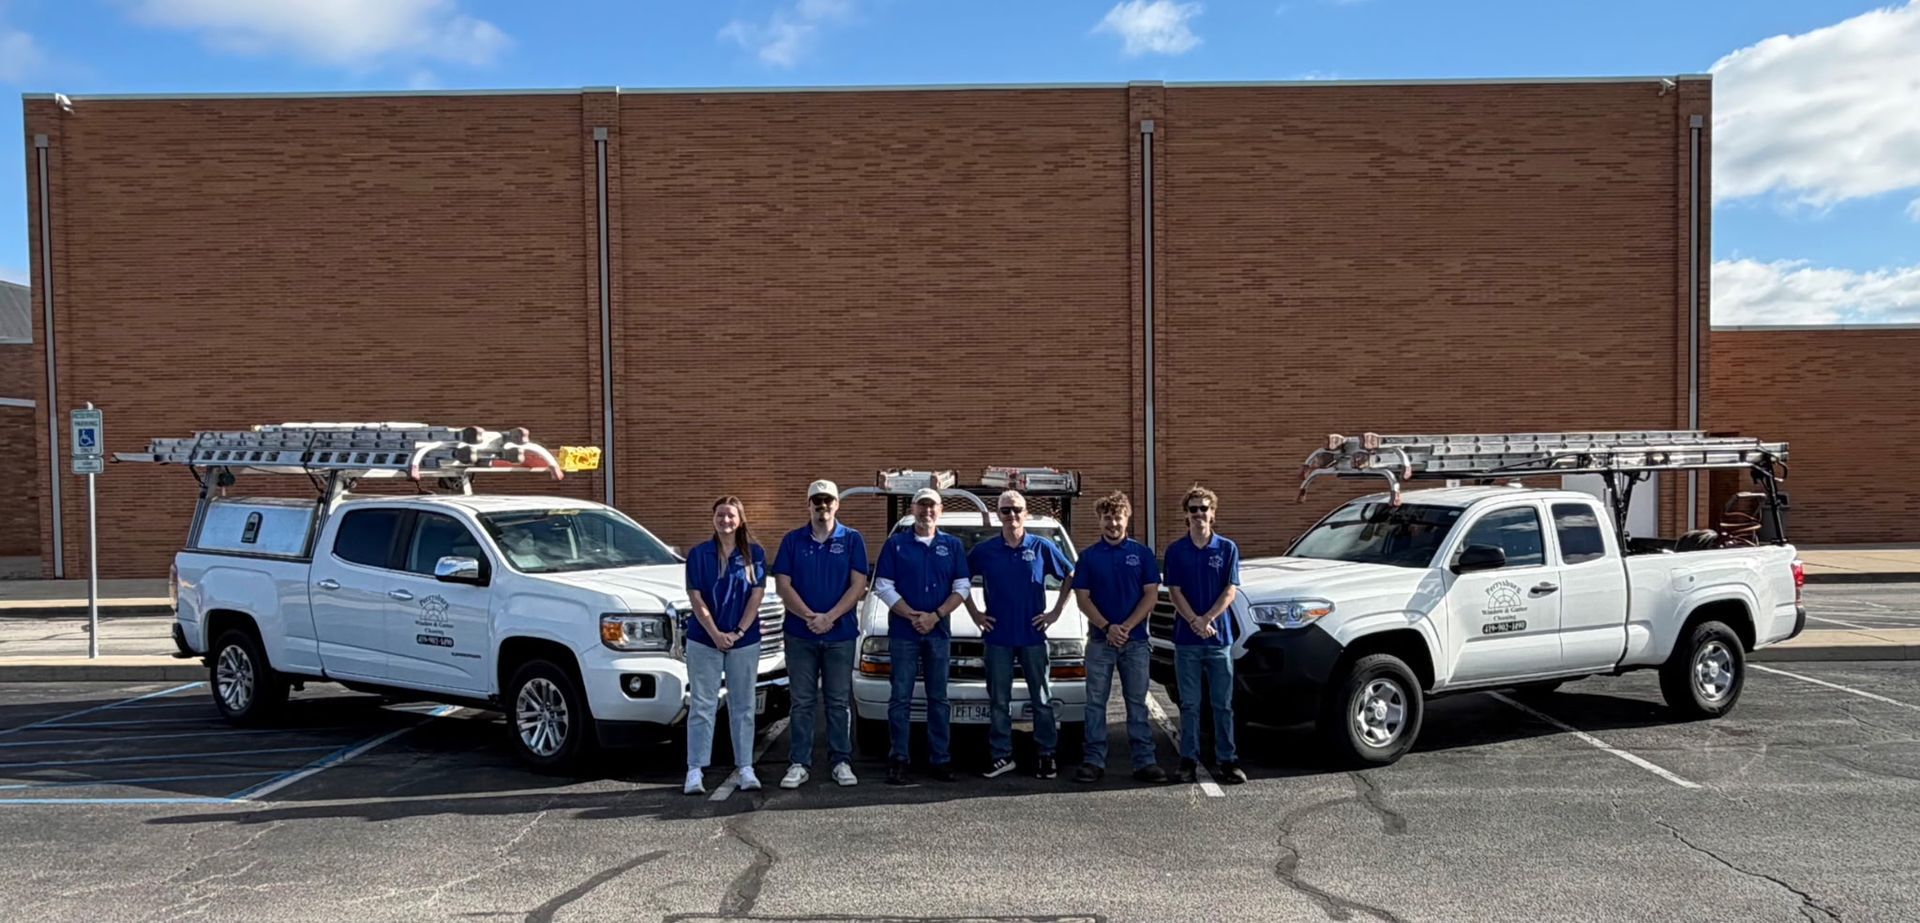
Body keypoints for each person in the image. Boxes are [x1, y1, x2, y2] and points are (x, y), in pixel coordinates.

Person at [964, 489, 1072, 779]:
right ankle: (1002, 757)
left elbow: (1071, 575)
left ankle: (1046, 755)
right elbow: (959, 579)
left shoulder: (1041, 547)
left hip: (1033, 637)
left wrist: (1056, 612)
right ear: (998, 515)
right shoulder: (985, 550)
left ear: (1026, 513)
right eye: (1006, 510)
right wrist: (974, 613)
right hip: (997, 637)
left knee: (1042, 699)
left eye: (1017, 509)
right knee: (999, 700)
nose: (1012, 515)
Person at [772, 479, 870, 789]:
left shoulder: (853, 539)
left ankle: (841, 760)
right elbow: (783, 586)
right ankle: (799, 763)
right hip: (801, 635)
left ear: (837, 505)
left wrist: (830, 617)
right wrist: (810, 617)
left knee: (838, 701)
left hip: (839, 634)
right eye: (816, 501)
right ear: (808, 505)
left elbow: (858, 585)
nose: (822, 506)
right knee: (802, 702)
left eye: (828, 501)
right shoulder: (792, 541)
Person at [872, 487, 970, 785]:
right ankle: (899, 759)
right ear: (912, 509)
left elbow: (962, 587)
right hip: (904, 632)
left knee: (938, 698)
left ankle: (940, 759)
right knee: (900, 697)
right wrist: (912, 615)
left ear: (940, 510)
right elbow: (883, 586)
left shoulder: (952, 546)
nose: (927, 511)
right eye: (921, 505)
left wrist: (935, 615)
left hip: (938, 633)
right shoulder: (896, 544)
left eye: (932, 506)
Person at [1071, 490, 1167, 784]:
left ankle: (1144, 762)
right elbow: (1082, 598)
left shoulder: (1142, 554)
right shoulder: (1088, 557)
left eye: (1118, 517)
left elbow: (1151, 596)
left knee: (1137, 703)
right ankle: (1093, 761)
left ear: (1128, 518)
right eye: (1107, 517)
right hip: (1101, 642)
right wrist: (1107, 627)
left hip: (1135, 642)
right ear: (1099, 521)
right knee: (1095, 703)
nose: (1113, 523)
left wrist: (1124, 627)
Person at [682, 496, 769, 795]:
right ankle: (695, 769)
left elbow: (756, 596)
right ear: (713, 519)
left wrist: (739, 631)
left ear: (740, 520)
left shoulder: (754, 554)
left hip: (744, 641)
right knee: (702, 705)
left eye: (731, 515)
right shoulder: (698, 554)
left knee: (743, 705)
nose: (725, 521)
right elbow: (696, 599)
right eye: (720, 515)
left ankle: (745, 767)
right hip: (704, 640)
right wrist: (716, 633)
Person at [1164, 485, 1248, 785]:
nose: (1199, 514)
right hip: (1187, 641)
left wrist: (1208, 618)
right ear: (1186, 514)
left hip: (1218, 640)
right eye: (1193, 509)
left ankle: (1228, 760)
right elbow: (1174, 591)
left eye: (1204, 508)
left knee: (1222, 704)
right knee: (1189, 704)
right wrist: (1194, 621)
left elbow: (1230, 590)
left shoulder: (1227, 548)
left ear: (1213, 513)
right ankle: (1188, 759)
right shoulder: (1176, 550)